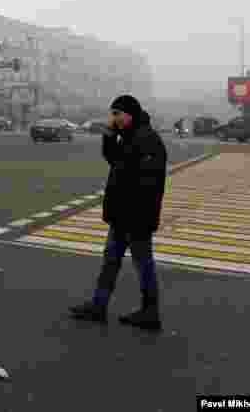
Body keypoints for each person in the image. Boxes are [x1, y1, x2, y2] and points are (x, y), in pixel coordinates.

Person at [69, 94, 167, 331]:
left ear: (130, 114)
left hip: (137, 218)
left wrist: (136, 214)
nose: (114, 119)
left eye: (117, 114)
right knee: (110, 262)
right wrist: (109, 136)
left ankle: (150, 312)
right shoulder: (130, 137)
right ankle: (98, 307)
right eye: (112, 114)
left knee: (143, 265)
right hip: (122, 216)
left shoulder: (147, 139)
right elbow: (115, 161)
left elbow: (149, 183)